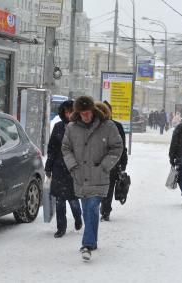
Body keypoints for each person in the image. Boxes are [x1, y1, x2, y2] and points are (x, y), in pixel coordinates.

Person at [62, 96, 123, 261]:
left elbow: (117, 147)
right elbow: (66, 148)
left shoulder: (107, 126)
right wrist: (73, 166)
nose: (86, 116)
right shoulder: (72, 127)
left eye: (88, 113)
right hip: (80, 176)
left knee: (92, 208)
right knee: (87, 211)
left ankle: (87, 245)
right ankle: (93, 242)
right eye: (82, 113)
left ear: (93, 111)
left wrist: (104, 166)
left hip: (99, 175)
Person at [45, 100, 82, 238]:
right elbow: (52, 148)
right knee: (60, 202)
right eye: (66, 112)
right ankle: (61, 228)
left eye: (71, 111)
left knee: (73, 201)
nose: (68, 114)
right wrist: (48, 167)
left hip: (74, 169)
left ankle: (78, 219)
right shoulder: (59, 127)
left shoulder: (81, 127)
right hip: (59, 169)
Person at [96, 101, 128, 222]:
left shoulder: (116, 126)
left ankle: (105, 211)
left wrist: (123, 163)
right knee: (97, 189)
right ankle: (101, 209)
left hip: (112, 164)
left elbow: (122, 147)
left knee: (108, 189)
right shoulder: (93, 126)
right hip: (96, 164)